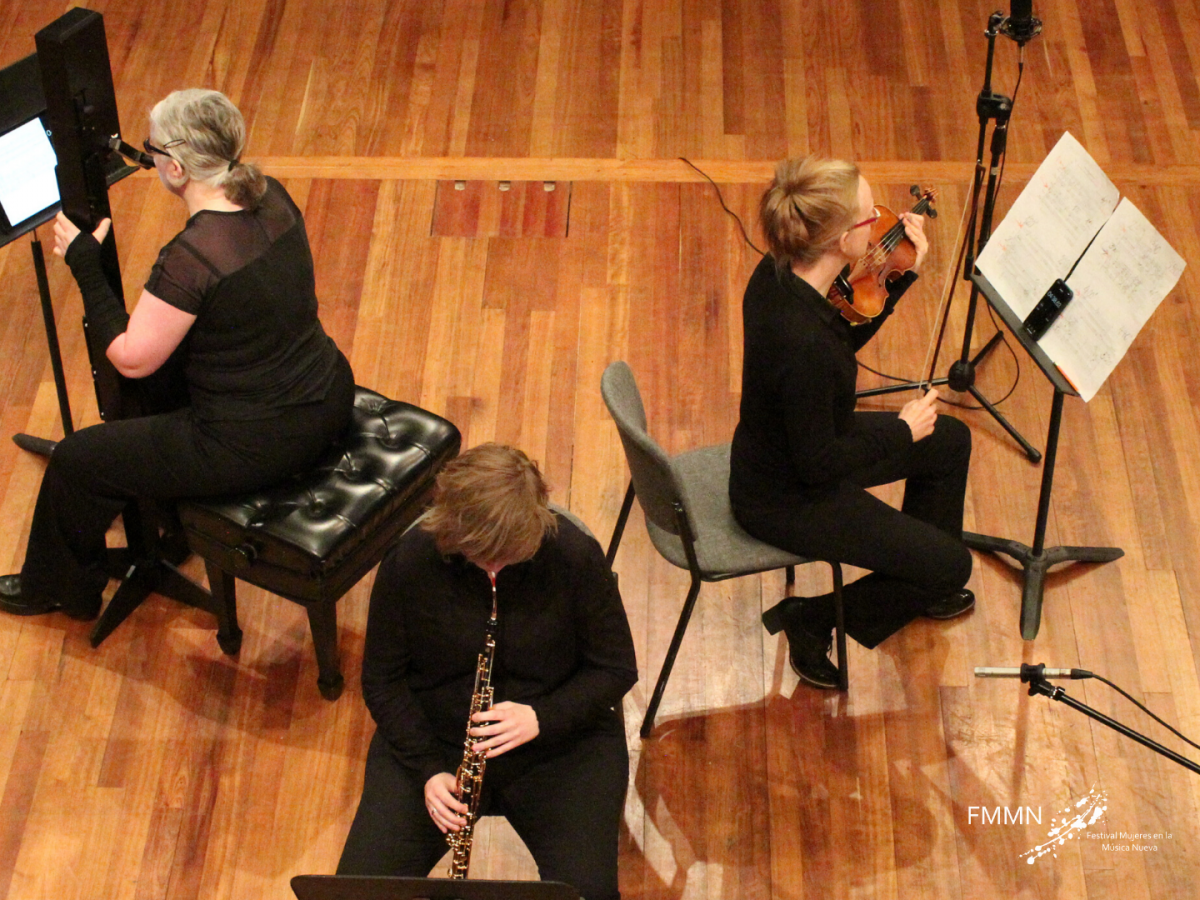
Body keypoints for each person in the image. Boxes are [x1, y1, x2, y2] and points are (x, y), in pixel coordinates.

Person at [0, 89, 354, 618]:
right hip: (327, 393)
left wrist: (86, 266)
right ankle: (167, 513)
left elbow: (130, 356)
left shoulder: (193, 256)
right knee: (155, 388)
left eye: (151, 149)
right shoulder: (272, 196)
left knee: (76, 460)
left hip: (256, 441)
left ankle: (56, 588)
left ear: (175, 167)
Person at [338, 443, 637, 900]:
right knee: (357, 892)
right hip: (436, 741)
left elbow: (615, 668)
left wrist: (542, 717)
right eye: (480, 556)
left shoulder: (573, 558)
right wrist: (428, 771)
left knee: (589, 893)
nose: (493, 568)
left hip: (560, 745)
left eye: (507, 556)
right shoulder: (410, 561)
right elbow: (382, 680)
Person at [729, 157, 974, 689]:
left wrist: (900, 275)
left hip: (789, 446)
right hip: (786, 495)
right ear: (843, 240)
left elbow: (838, 339)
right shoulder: (804, 344)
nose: (883, 223)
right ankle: (811, 619)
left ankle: (920, 581)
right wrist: (901, 431)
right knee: (954, 565)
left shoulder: (777, 272)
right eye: (870, 216)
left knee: (949, 440)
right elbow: (820, 465)